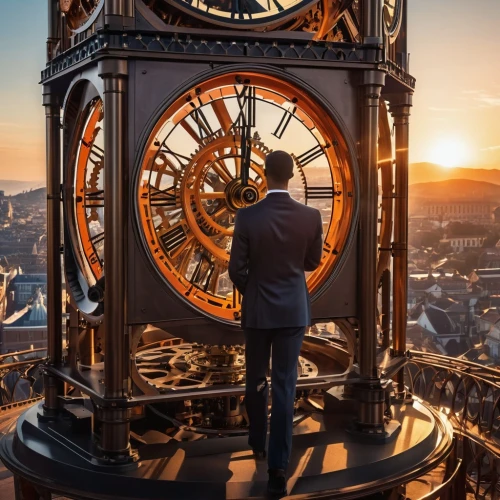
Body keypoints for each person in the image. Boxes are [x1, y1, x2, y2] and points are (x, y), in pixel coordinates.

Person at [228, 150, 323, 497]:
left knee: (255, 378)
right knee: (285, 385)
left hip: (258, 312)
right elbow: (312, 262)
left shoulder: (247, 216)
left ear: (264, 175)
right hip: (293, 311)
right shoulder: (311, 216)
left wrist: (254, 290)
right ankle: (278, 469)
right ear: (293, 175)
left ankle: (256, 443)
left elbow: (235, 269)